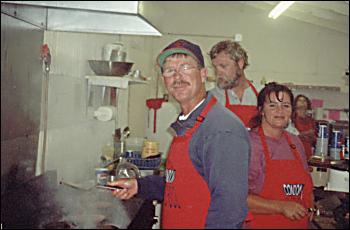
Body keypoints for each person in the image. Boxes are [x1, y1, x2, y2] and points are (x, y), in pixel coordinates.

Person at [108, 39, 251, 228]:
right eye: (169, 70)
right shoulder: (188, 122)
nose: (177, 77)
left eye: (185, 67)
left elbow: (230, 211)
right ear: (163, 79)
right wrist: (140, 186)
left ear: (203, 74)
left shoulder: (220, 130)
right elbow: (182, 185)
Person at [246, 82, 314, 229]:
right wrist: (281, 207)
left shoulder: (295, 142)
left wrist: (311, 204)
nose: (280, 110)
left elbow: (306, 185)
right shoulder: (249, 144)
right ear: (261, 110)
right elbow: (236, 198)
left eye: (285, 105)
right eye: (272, 105)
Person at [209, 40, 260, 127]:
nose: (218, 73)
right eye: (215, 67)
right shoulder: (211, 98)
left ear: (240, 63)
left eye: (223, 66)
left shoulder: (261, 94)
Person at [293, 94, 317, 160]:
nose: (302, 102)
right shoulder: (292, 119)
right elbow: (293, 135)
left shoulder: (311, 120)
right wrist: (307, 133)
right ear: (295, 104)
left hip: (308, 151)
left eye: (304, 101)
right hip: (295, 150)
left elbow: (315, 137)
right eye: (300, 100)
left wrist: (306, 135)